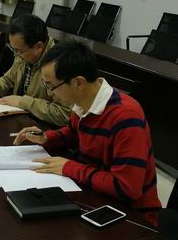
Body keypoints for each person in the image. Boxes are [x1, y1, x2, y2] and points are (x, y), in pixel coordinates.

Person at [13, 39, 162, 225]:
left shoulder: (126, 117)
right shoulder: (82, 104)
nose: (50, 94)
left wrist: (69, 167)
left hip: (131, 218)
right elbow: (72, 134)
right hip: (95, 197)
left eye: (51, 86)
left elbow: (127, 188)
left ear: (78, 83)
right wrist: (46, 137)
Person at [0, 15, 71, 126]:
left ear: (39, 46)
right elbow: (9, 79)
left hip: (42, 127)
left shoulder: (59, 65)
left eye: (18, 51)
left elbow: (64, 114)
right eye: (13, 49)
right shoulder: (23, 53)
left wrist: (24, 102)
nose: (16, 55)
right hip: (20, 119)